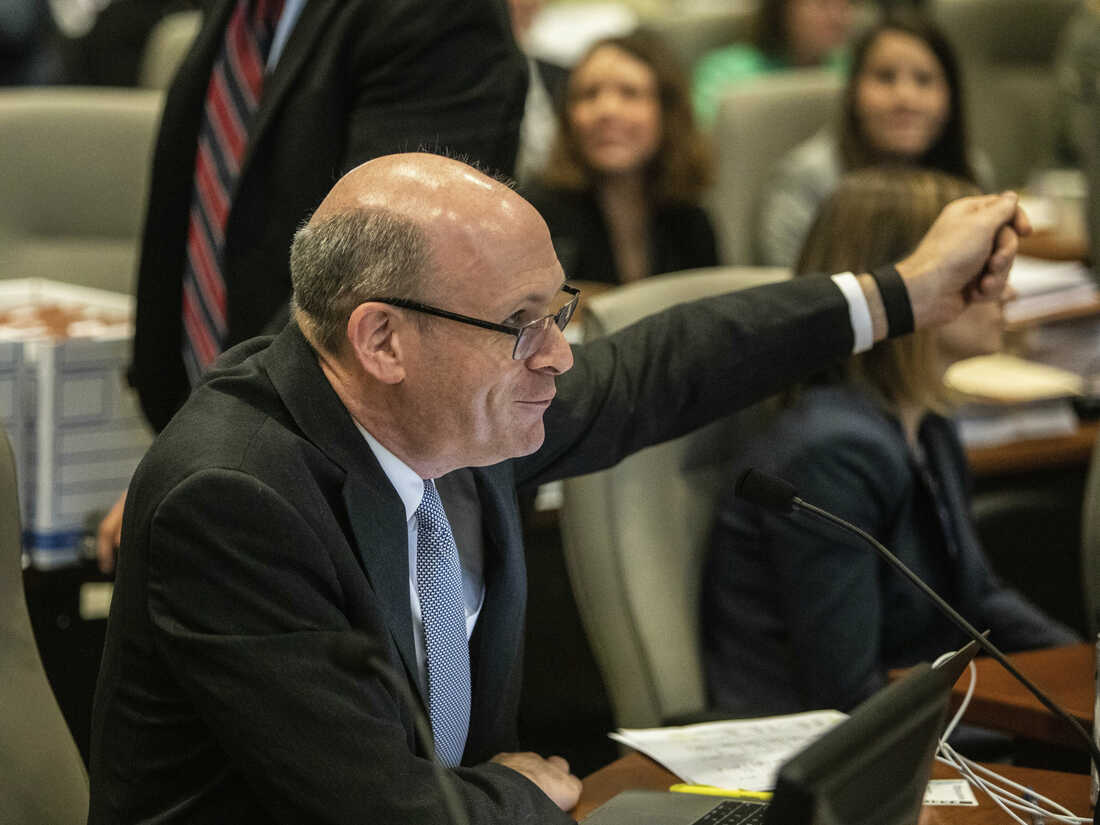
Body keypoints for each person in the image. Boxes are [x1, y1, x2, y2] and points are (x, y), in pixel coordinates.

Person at [88, 152, 1025, 823]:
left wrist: (902, 292)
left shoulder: (456, 406)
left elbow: (667, 366)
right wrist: (521, 793)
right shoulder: (236, 498)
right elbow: (384, 808)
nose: (559, 354)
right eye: (523, 323)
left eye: (559, 311)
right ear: (382, 339)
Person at [95, 0, 528, 572]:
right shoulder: (248, 12)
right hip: (221, 447)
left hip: (351, 482)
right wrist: (181, 446)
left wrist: (212, 450)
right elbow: (197, 208)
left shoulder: (436, 14)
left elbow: (371, 271)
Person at [703, 167, 1078, 720]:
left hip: (909, 713)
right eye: (983, 270)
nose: (1009, 292)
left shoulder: (928, 419)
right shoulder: (830, 452)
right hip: (818, 740)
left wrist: (1084, 671)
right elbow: (848, 695)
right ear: (915, 282)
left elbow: (977, 598)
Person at [756, 11, 992, 267]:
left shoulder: (971, 169)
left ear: (951, 97)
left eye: (924, 80)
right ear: (853, 92)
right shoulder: (807, 179)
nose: (905, 98)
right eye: (885, 77)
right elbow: (790, 284)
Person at [525, 32, 718, 285]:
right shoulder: (536, 217)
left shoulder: (691, 220)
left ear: (668, 113)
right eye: (589, 94)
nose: (607, 111)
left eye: (630, 93)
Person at [692, 0, 854, 127]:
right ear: (782, 9)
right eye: (822, 4)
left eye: (846, 4)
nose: (838, 18)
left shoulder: (852, 68)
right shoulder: (724, 72)